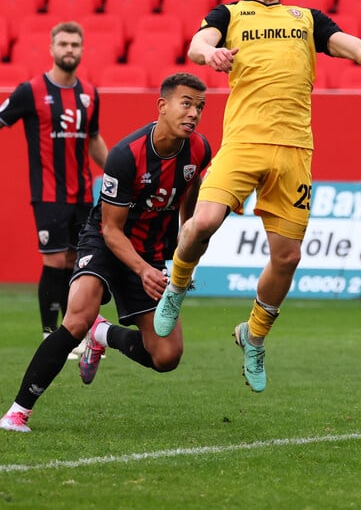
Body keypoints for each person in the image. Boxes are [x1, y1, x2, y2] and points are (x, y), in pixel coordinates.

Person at [153, 0, 361, 393]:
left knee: (287, 258)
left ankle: (254, 336)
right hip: (242, 144)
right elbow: (196, 44)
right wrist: (212, 54)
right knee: (201, 223)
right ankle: (177, 286)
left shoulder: (307, 19)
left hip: (294, 152)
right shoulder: (229, 14)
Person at [0, 73, 212, 433]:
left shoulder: (199, 149)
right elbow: (112, 229)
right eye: (186, 103)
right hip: (105, 241)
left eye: (200, 107)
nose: (193, 113)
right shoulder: (125, 155)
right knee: (78, 315)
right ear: (162, 106)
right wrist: (144, 270)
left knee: (166, 356)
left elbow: (188, 203)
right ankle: (18, 411)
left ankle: (104, 335)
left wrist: (184, 255)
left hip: (151, 251)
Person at [0, 21, 108, 360]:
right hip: (47, 193)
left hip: (80, 195)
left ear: (82, 49)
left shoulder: (89, 94)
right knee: (56, 259)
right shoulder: (30, 91)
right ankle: (50, 334)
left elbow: (93, 141)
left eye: (75, 44)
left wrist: (119, 172)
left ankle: (71, 333)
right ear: (51, 48)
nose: (69, 50)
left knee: (75, 262)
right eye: (63, 44)